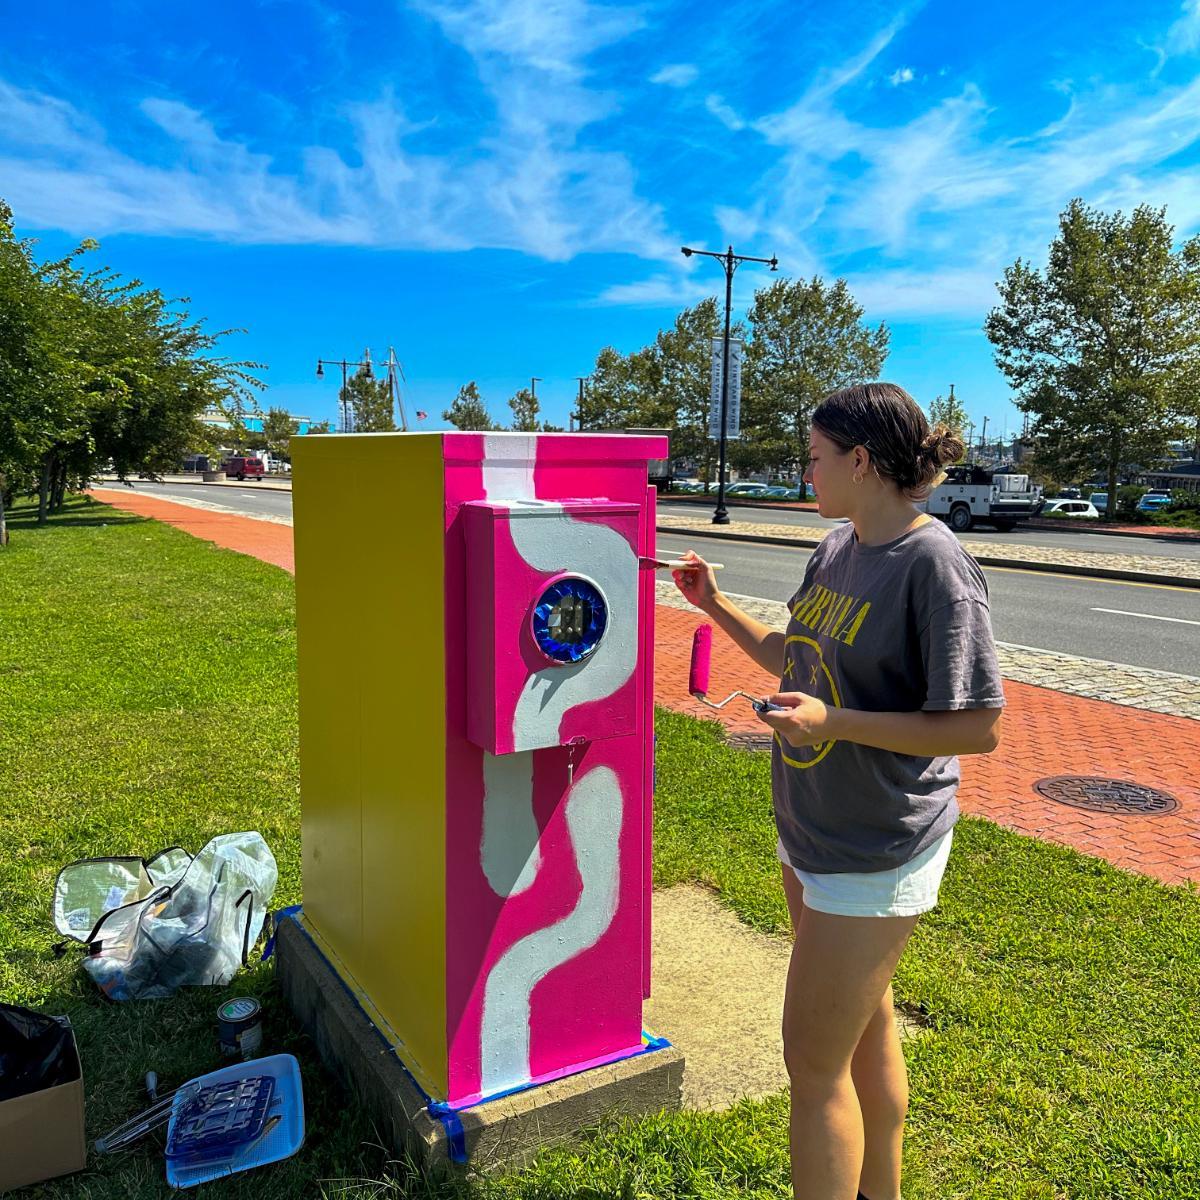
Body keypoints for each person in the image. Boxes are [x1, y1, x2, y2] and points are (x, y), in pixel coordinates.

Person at [673, 383, 1005, 1200]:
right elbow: (796, 653)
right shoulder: (838, 546)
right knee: (864, 1030)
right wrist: (713, 604)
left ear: (861, 461)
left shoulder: (935, 566)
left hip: (877, 846)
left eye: (814, 457)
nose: (804, 471)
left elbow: (975, 727)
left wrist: (836, 723)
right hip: (816, 830)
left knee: (812, 1066)